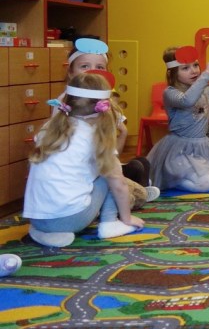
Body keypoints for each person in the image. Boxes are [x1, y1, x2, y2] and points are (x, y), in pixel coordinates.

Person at [23, 73, 144, 248]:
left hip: (36, 218)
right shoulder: (94, 137)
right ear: (104, 108)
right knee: (110, 175)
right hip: (71, 219)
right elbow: (118, 185)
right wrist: (127, 217)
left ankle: (45, 232)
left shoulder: (49, 130)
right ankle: (110, 223)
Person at [56, 37, 157, 203]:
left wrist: (122, 134)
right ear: (70, 72)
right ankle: (134, 195)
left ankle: (135, 192)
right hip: (80, 174)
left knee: (140, 163)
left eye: (100, 67)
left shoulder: (106, 103)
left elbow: (112, 154)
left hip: (103, 165)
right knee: (117, 182)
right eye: (84, 66)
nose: (92, 71)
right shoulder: (65, 103)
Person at [147, 46, 209, 192]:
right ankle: (174, 180)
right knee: (208, 183)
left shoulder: (204, 90)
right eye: (185, 68)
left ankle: (198, 176)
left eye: (195, 65)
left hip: (202, 147)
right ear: (173, 73)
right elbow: (187, 100)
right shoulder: (170, 93)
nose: (194, 71)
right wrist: (206, 75)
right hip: (180, 151)